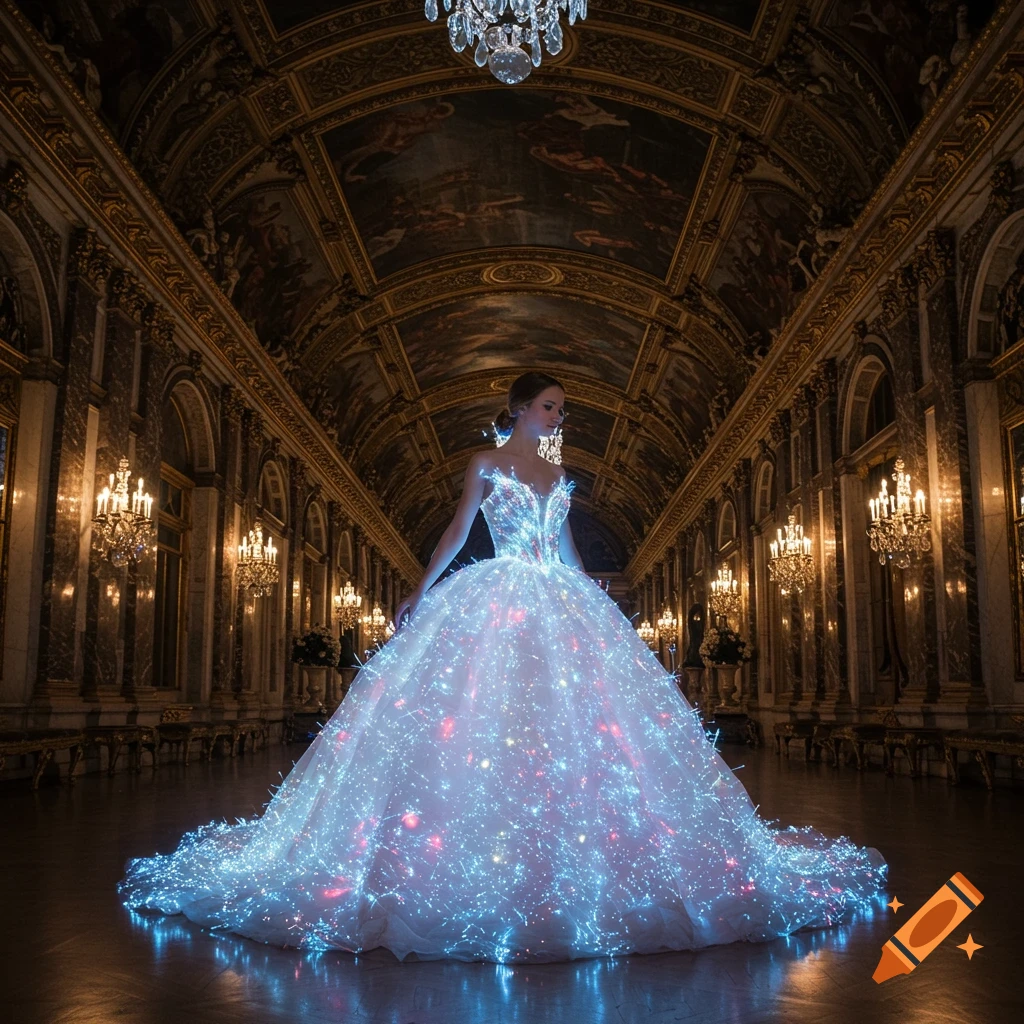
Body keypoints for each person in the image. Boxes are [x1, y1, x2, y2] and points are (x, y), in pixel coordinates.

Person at [120, 371, 886, 963]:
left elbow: (569, 550)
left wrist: (604, 607)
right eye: (551, 407)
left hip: (558, 599)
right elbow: (460, 533)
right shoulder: (486, 461)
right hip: (495, 596)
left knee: (574, 736)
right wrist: (420, 593)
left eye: (562, 410)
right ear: (520, 408)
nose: (560, 418)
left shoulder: (560, 472)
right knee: (482, 721)